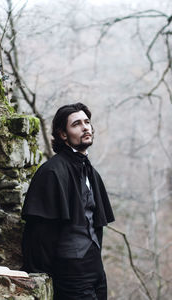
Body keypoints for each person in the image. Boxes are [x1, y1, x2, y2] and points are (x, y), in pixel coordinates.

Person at [21, 102, 115, 300]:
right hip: (70, 269)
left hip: (95, 265)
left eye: (87, 122)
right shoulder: (52, 172)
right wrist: (45, 273)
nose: (85, 127)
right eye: (77, 124)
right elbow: (40, 231)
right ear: (63, 135)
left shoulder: (91, 172)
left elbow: (95, 223)